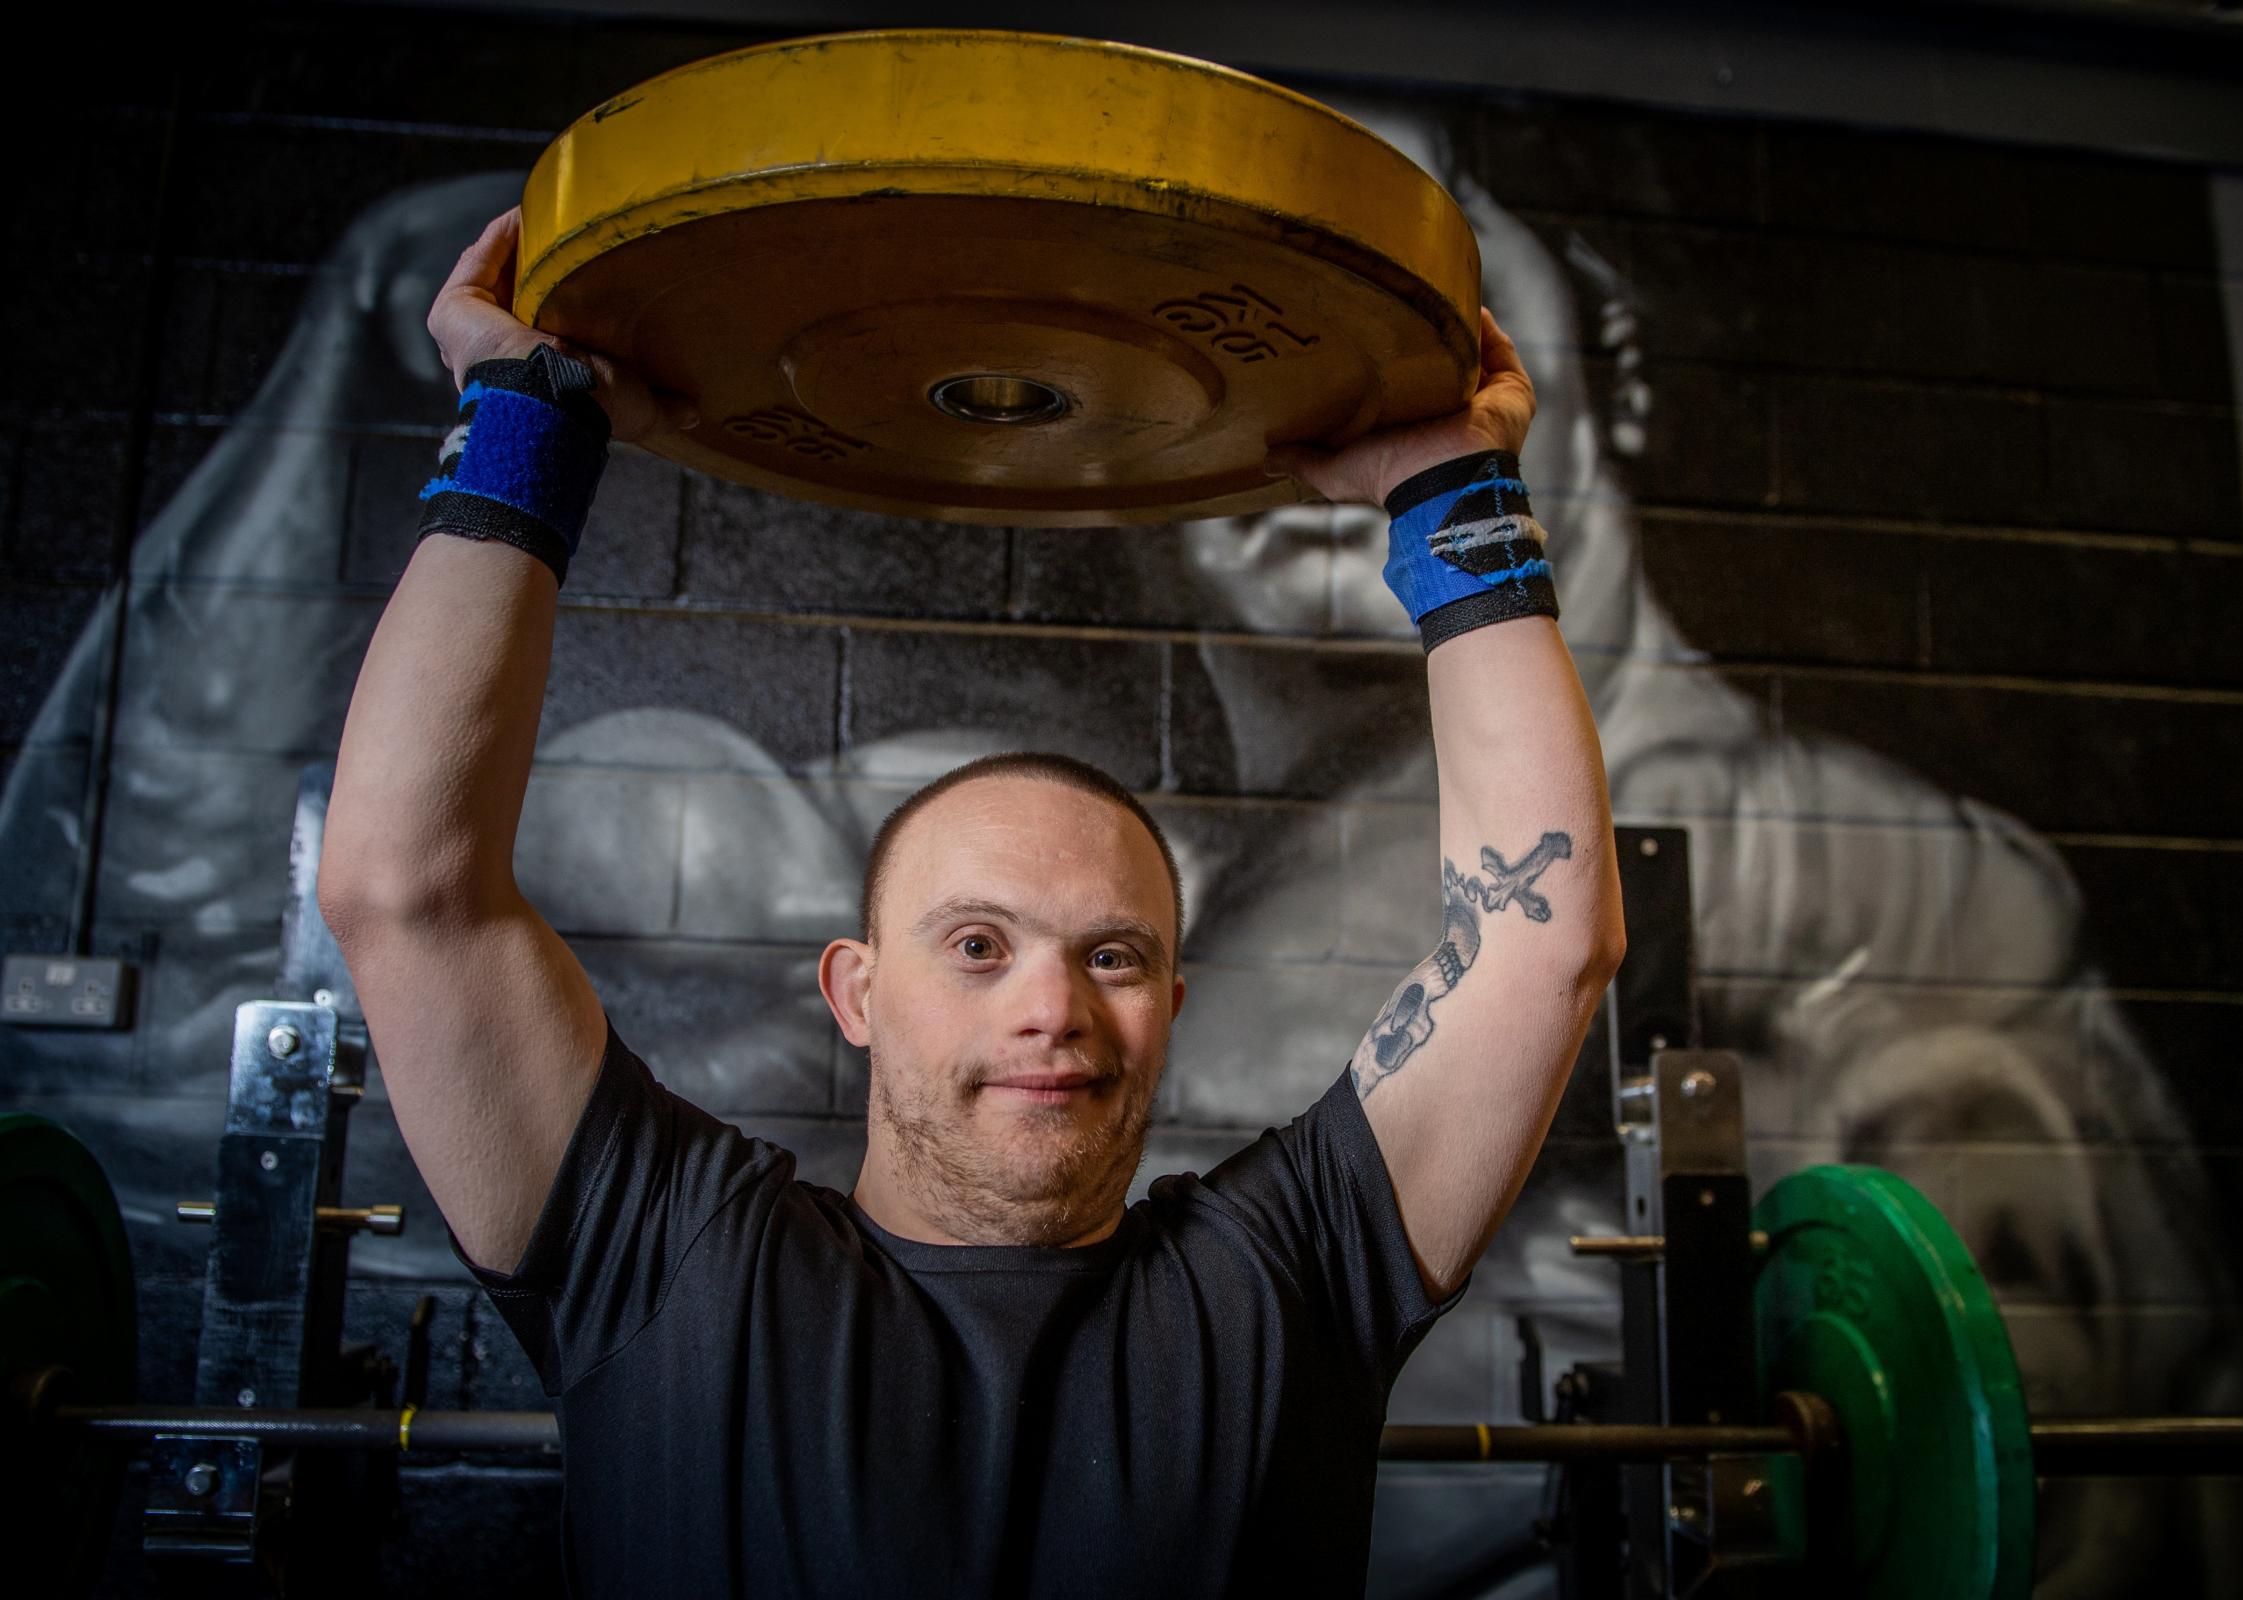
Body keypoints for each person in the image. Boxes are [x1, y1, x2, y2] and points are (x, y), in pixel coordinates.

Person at [314, 207, 1625, 1594]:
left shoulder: (1289, 1276)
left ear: (1173, 1004)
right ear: (856, 991)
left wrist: (1449, 491)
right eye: (979, 946)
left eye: (1112, 955)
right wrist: (524, 425)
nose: (1053, 1009)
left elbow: (1542, 945)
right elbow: (405, 888)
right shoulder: (668, 1259)